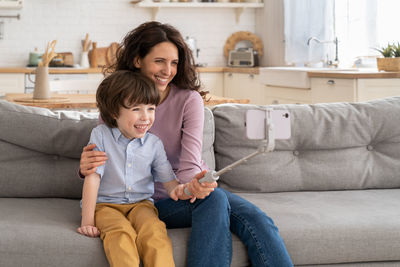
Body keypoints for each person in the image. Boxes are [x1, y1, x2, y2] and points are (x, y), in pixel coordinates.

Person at [79, 21, 293, 267]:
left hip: (185, 190)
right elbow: (107, 151)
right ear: (138, 60)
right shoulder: (117, 99)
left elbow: (190, 164)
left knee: (257, 220)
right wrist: (86, 165)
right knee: (215, 200)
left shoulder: (188, 100)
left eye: (174, 63)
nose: (167, 70)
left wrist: (195, 185)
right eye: (160, 61)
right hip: (151, 201)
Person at [77, 70, 193, 267]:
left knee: (155, 231)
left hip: (142, 205)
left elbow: (169, 182)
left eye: (151, 108)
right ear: (115, 112)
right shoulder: (101, 135)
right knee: (121, 234)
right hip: (105, 205)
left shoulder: (154, 144)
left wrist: (183, 189)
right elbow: (93, 177)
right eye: (136, 109)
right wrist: (87, 222)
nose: (145, 117)